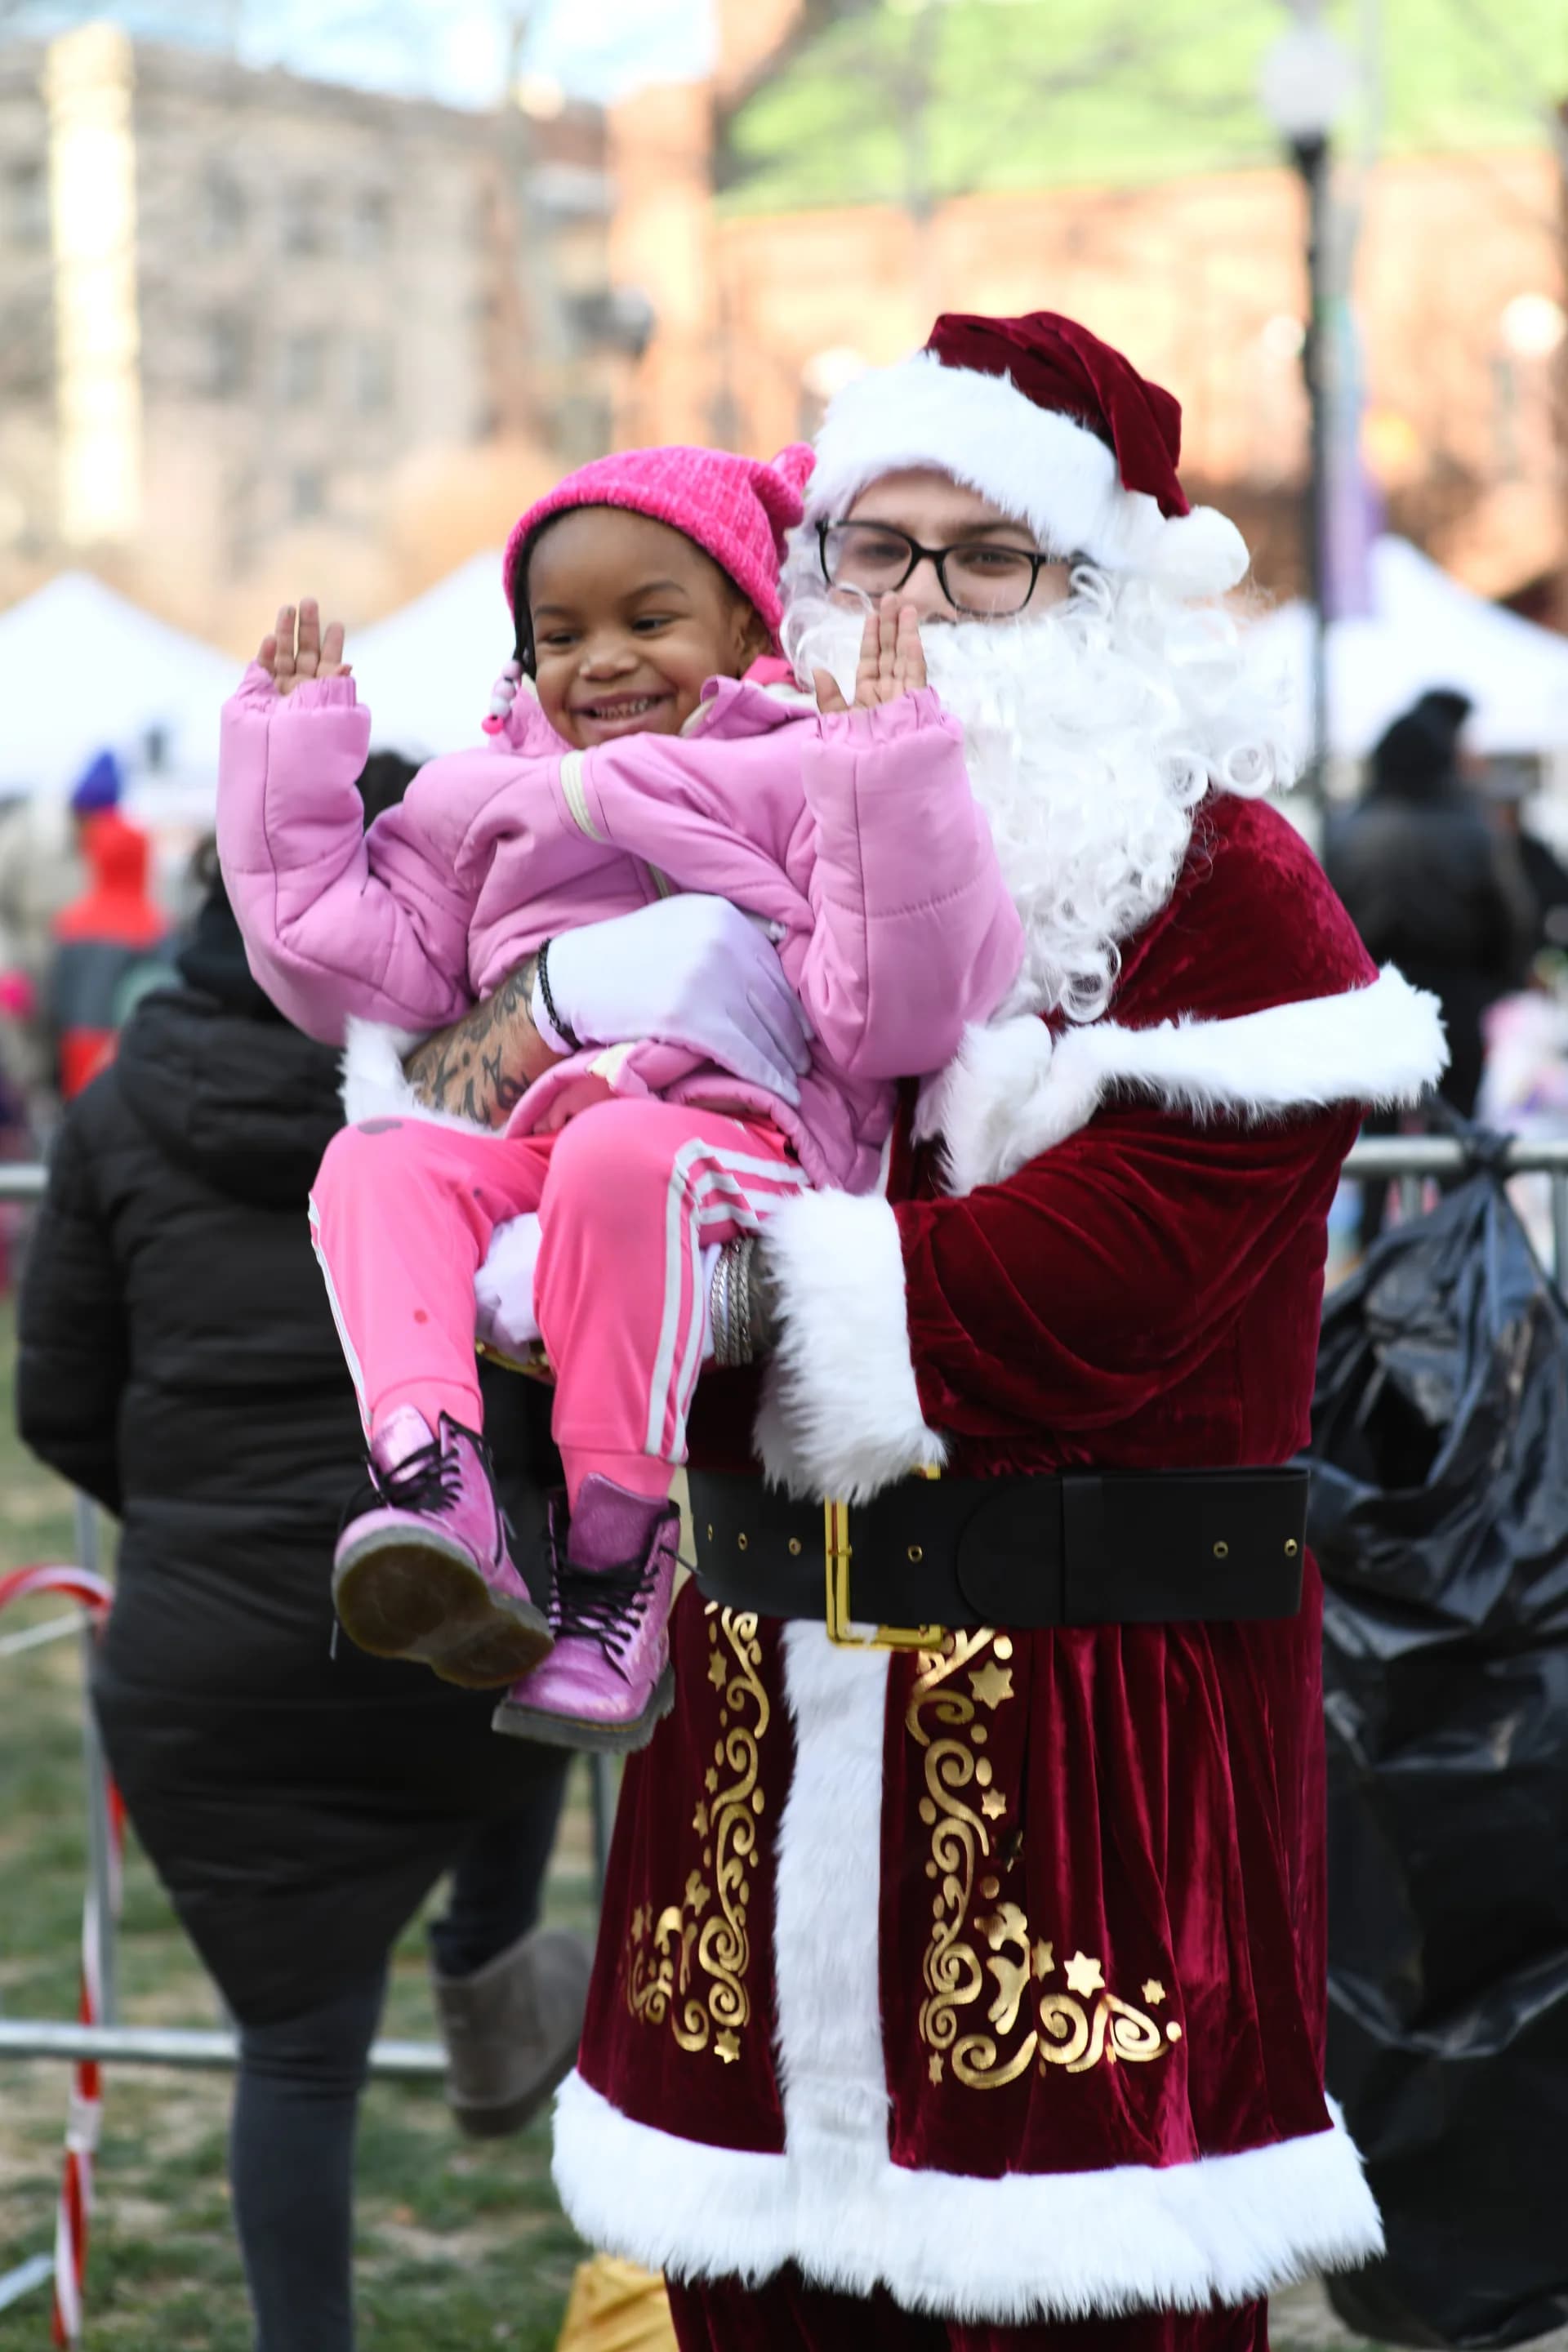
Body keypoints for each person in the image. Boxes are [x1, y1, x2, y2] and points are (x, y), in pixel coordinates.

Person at [422, 310, 1454, 2351]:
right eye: (869, 554)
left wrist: (658, 1289)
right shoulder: (732, 860)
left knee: (1071, 2312)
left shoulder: (1229, 893)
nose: (916, 609)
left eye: (983, 559)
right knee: (751, 2303)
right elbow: (549, 1130)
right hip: (748, 1752)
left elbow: (1111, 1278)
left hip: (1095, 1763)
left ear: (1101, 597)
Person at [217, 442, 1022, 1753]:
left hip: (751, 1142)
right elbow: (348, 962)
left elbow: (894, 1006)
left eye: (649, 621)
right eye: (560, 634)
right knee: (373, 1162)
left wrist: (884, 777)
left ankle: (613, 1564)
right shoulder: (477, 796)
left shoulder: (799, 767)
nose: (600, 660)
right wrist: (287, 773)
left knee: (627, 1157)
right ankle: (436, 1479)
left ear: (748, 624)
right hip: (543, 1140)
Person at [16, 834, 590, 2352]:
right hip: (442, 1646)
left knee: (298, 2053)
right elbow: (553, 1385)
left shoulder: (121, 1105)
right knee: (521, 1688)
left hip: (204, 1667)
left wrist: (202, 1534)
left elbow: (56, 1400)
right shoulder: (502, 1101)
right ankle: (486, 1970)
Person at [1325, 688, 1530, 1116]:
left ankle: (1383, 1189)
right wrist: (1496, 986)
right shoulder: (1474, 832)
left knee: (1378, 1139)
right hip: (1454, 999)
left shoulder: (1348, 833)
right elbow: (1511, 919)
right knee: (1459, 1138)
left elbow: (1324, 928)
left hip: (1372, 1000)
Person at [50, 795, 172, 1101]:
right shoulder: (156, 926)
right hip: (129, 1054)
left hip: (75, 1050)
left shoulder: (70, 923)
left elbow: (56, 999)